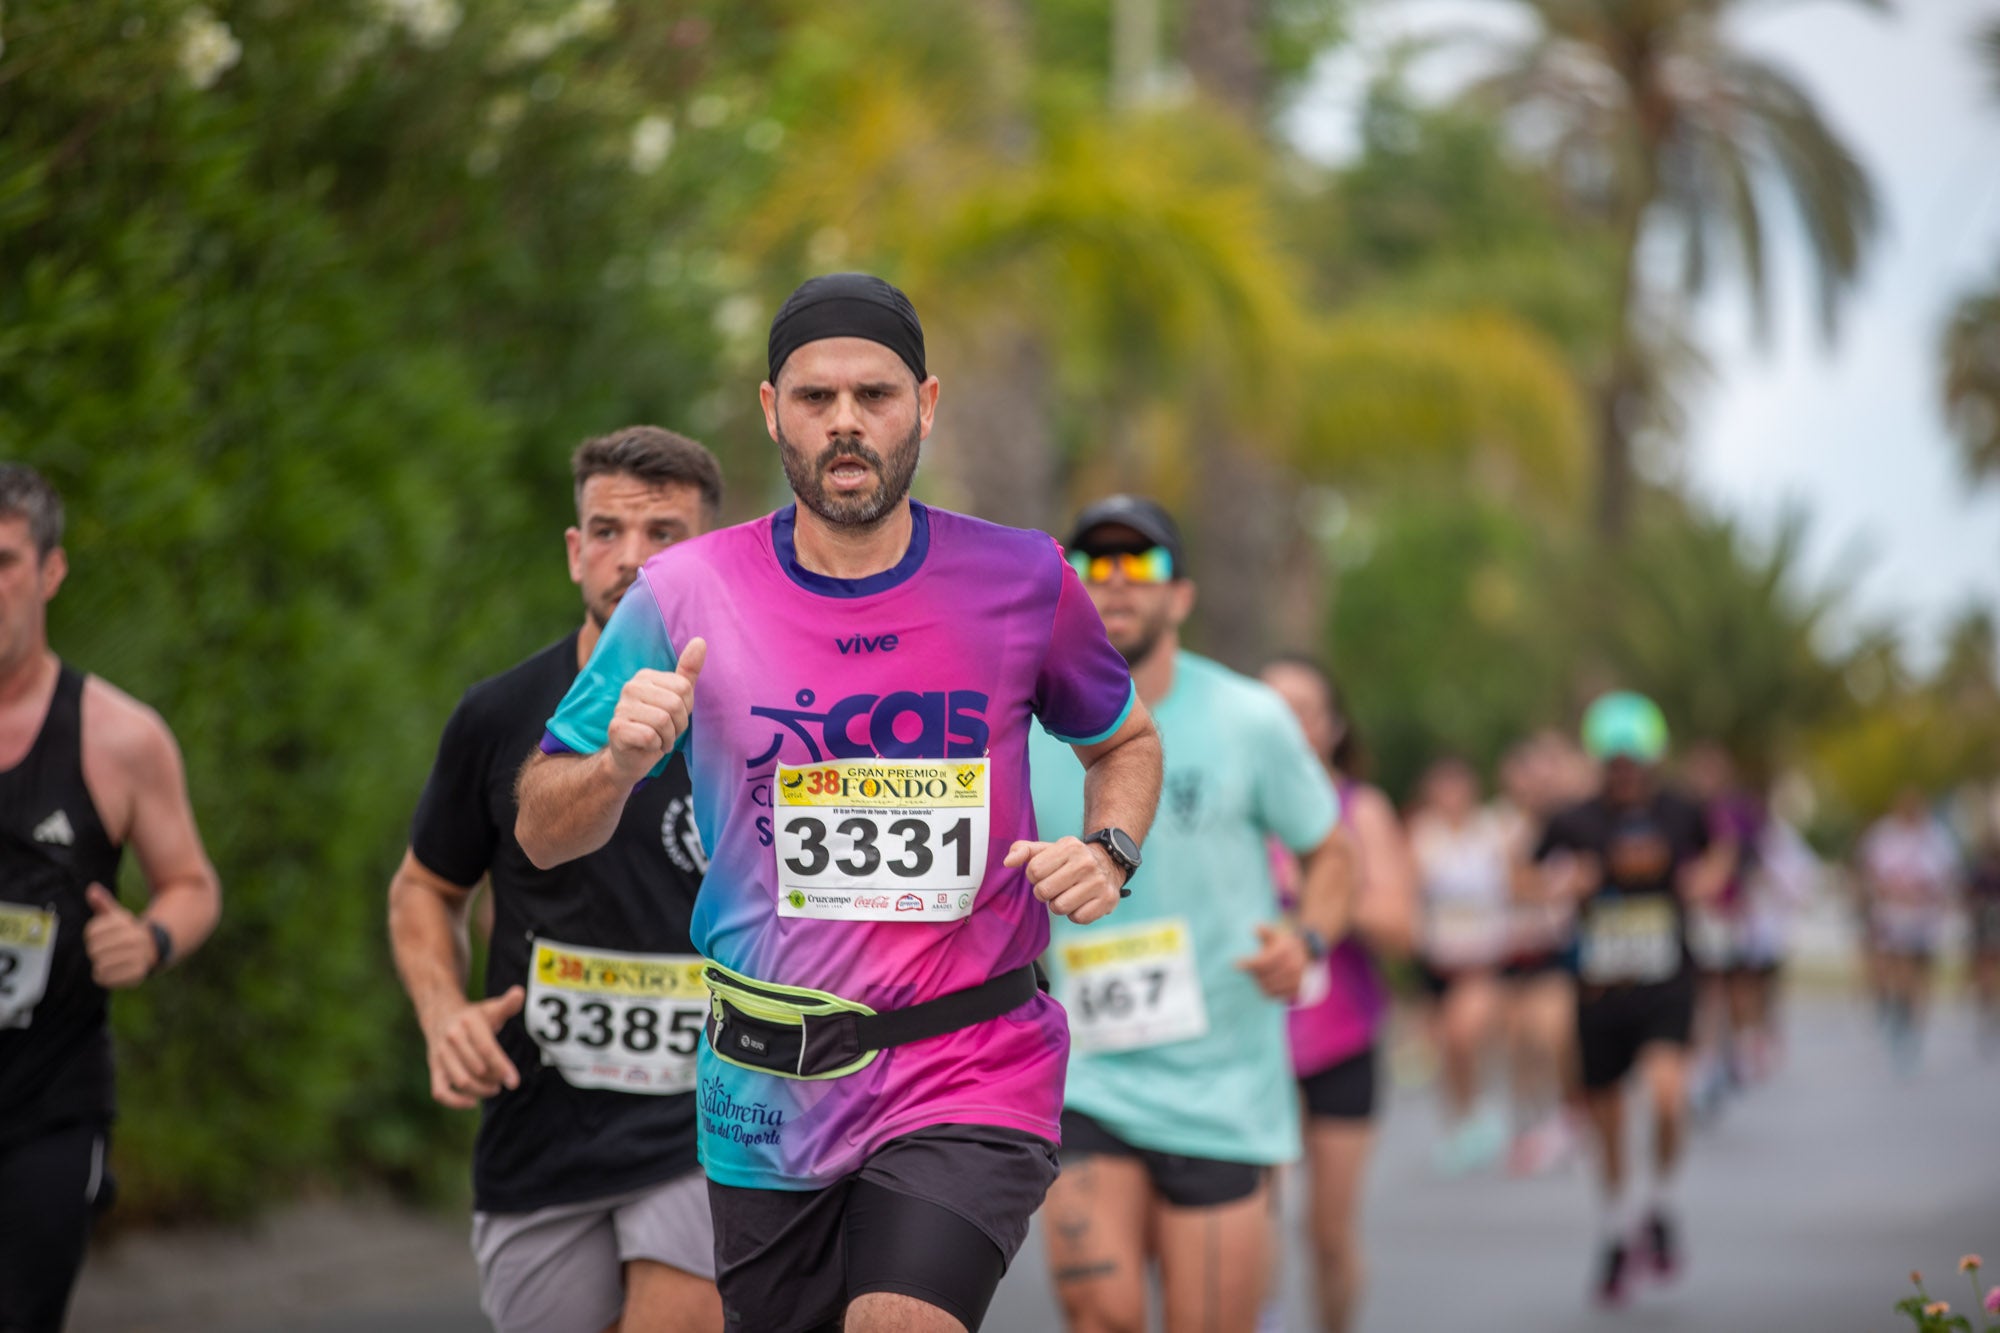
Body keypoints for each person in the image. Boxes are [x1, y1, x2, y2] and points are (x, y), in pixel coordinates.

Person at [514, 273, 1164, 1333]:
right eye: (816, 398)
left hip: (969, 1061)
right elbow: (543, 827)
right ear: (771, 410)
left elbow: (1123, 739)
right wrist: (616, 764)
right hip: (766, 1090)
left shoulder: (1023, 578)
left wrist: (1110, 845)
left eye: (876, 394)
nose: (847, 422)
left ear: (927, 404)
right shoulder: (685, 591)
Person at [387, 427, 725, 1333]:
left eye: (665, 534)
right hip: (538, 1134)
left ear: (709, 557)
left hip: (711, 1123)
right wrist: (440, 1011)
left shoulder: (755, 714)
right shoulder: (499, 714)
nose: (633, 560)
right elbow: (426, 887)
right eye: (608, 532)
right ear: (575, 552)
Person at [1029, 497, 1350, 1333]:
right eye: (1094, 562)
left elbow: (1331, 854)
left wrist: (1306, 939)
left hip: (1223, 1087)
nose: (1117, 581)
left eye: (1143, 563)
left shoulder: (1251, 719)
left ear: (1183, 595)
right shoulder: (1024, 724)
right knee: (1102, 1312)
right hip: (1084, 1075)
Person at [0, 464, 222, 1333]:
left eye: (6, 561)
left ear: (51, 572)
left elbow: (193, 884)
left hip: (49, 1101)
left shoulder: (119, 736)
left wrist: (153, 939)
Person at [1532, 692, 1734, 1307]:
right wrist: (1562, 883)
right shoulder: (1574, 819)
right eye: (1614, 761)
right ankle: (1616, 1229)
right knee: (1610, 1122)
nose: (1624, 771)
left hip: (1667, 981)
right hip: (1599, 991)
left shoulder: (1680, 812)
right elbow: (1524, 872)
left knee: (1669, 1096)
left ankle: (1661, 1208)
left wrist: (1706, 880)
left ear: (1651, 759)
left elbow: (1721, 848)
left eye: (1634, 760)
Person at [1260, 656, 1415, 1333]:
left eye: (1303, 709)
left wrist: (1320, 891)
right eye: (1271, 707)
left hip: (1339, 1041)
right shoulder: (1229, 802)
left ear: (1333, 726)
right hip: (1248, 1043)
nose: (1286, 723)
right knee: (1246, 1228)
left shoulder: (1361, 809)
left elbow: (1403, 928)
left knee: (1326, 1235)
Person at [1408, 757, 1514, 1175]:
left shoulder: (1493, 834)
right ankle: (1463, 1118)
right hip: (1438, 962)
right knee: (1448, 1049)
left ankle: (1482, 1112)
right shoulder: (1420, 837)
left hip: (1482, 960)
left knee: (1463, 1034)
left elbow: (1517, 882)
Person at [1493, 734, 1580, 1177]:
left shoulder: (1572, 824)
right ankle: (1530, 1122)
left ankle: (1566, 1115)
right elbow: (1515, 884)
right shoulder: (1504, 825)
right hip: (1512, 948)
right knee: (1519, 1041)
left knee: (1552, 1032)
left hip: (1557, 947)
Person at [1855, 788, 1961, 1075]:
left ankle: (1913, 1028)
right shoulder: (1883, 835)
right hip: (1892, 919)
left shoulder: (1937, 837)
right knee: (1897, 969)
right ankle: (1898, 1013)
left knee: (1921, 974)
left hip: (1924, 921)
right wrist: (1888, 893)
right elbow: (1870, 873)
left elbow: (1947, 877)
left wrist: (1926, 896)